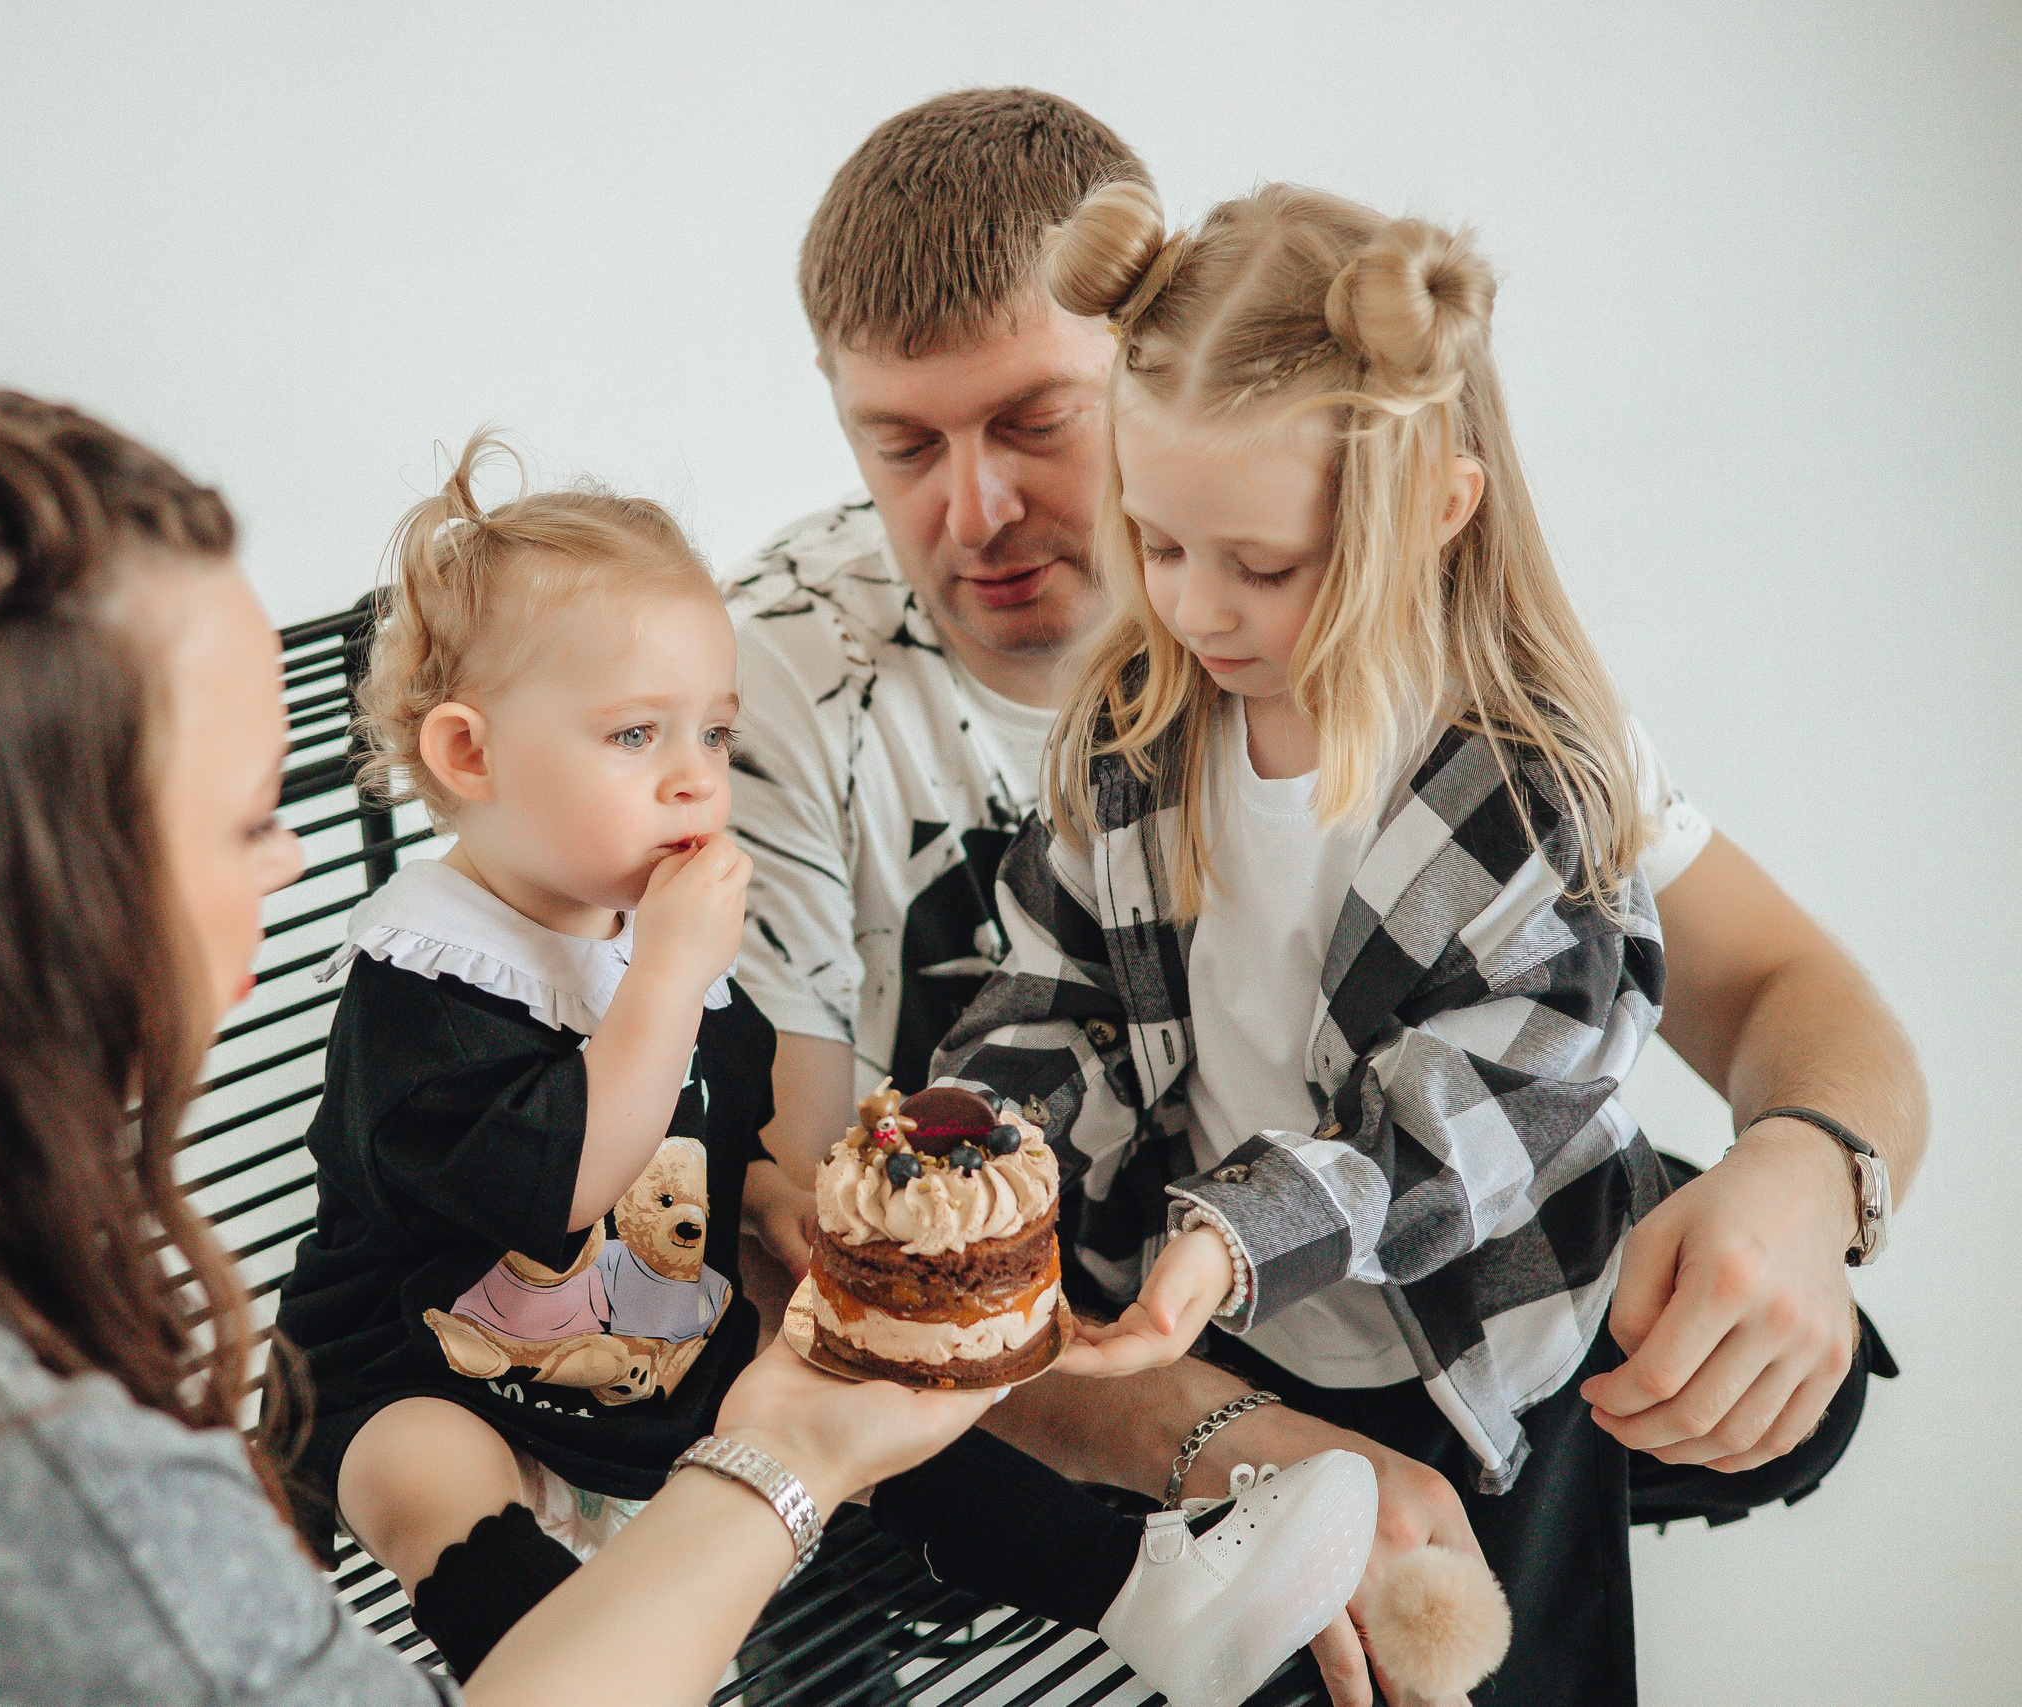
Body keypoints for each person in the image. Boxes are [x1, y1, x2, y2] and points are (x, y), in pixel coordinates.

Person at [0, 369, 1007, 1707]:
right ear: (37, 894)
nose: (288, 864)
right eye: (254, 815)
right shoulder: (13, 1491)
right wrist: (796, 1448)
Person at [725, 89, 1917, 1703]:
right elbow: (930, 1133)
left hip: (1428, 1265)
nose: (981, 510)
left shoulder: (1506, 762)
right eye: (902, 443)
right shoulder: (968, 702)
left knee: (1538, 1581)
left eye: (1033, 423)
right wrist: (1000, 1168)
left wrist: (1809, 1169)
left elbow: (1678, 1023)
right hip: (1183, 1319)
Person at [268, 432, 1378, 1707]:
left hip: (652, 1372)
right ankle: (567, 1653)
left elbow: (705, 1116)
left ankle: (1150, 1590)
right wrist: (668, 980)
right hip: (415, 1363)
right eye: (634, 735)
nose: (695, 777)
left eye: (714, 733)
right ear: (470, 758)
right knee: (419, 1472)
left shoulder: (643, 928)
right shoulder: (427, 980)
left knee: (863, 1403)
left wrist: (754, 1198)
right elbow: (559, 1181)